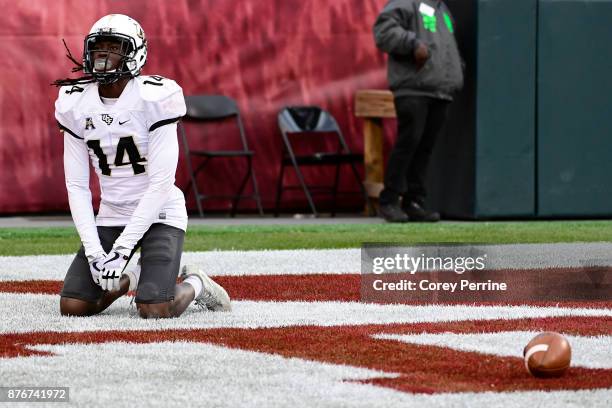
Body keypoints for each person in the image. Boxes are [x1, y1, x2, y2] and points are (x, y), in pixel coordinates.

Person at [53, 14, 231, 318]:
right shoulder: (74, 102)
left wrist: (120, 251)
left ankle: (196, 283)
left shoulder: (155, 96)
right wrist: (96, 253)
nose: (103, 56)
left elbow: (161, 183)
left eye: (114, 47)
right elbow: (77, 185)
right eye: (98, 48)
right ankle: (133, 277)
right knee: (74, 305)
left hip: (160, 212)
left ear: (135, 54)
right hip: (112, 213)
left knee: (154, 308)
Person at [373, 0, 463, 222]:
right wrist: (412, 44)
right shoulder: (406, 3)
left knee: (424, 148)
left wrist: (457, 68)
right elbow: (383, 30)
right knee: (409, 141)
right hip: (413, 87)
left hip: (440, 90)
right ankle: (389, 200)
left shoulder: (443, 10)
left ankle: (414, 201)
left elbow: (447, 46)